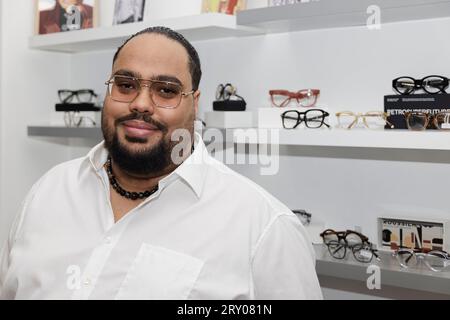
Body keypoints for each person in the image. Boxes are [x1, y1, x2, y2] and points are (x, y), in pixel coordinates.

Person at [0, 26, 322, 300]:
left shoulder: (264, 228)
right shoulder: (48, 192)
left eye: (166, 91)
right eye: (126, 85)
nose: (141, 104)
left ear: (194, 104)